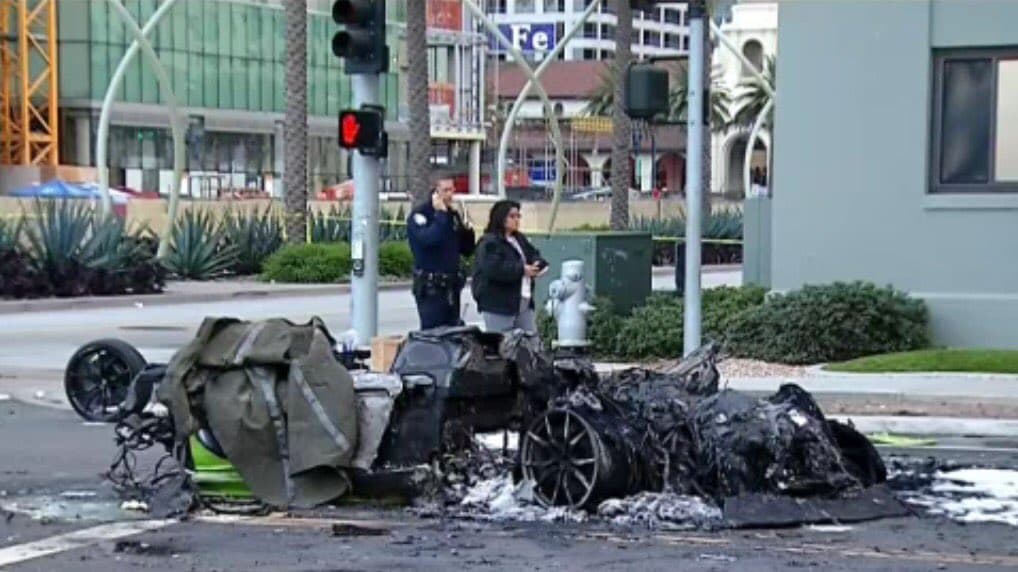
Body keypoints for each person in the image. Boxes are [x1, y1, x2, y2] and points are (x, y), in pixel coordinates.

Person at [406, 174, 475, 330]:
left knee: (453, 332)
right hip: (431, 287)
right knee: (433, 333)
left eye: (452, 190)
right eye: (445, 191)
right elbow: (430, 239)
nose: (450, 195)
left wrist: (467, 230)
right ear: (435, 193)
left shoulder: (452, 215)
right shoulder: (421, 215)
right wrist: (441, 215)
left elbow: (466, 250)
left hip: (451, 286)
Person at [472, 200, 548, 334]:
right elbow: (494, 268)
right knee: (503, 341)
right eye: (512, 216)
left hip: (522, 302)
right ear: (501, 218)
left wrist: (538, 264)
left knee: (530, 339)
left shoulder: (519, 239)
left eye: (518, 216)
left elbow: (533, 254)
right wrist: (522, 270)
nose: (516, 220)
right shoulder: (489, 242)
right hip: (498, 304)